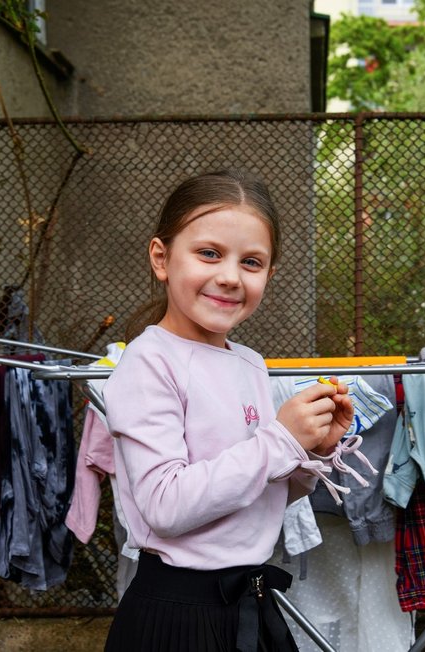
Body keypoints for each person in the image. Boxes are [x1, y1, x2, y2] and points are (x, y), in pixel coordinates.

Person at [101, 169, 354, 652]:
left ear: (270, 275)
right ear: (162, 258)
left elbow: (258, 497)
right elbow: (166, 506)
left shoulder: (250, 364)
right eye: (209, 253)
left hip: (249, 605)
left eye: (252, 262)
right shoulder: (148, 362)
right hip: (178, 614)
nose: (229, 277)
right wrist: (280, 441)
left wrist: (312, 453)